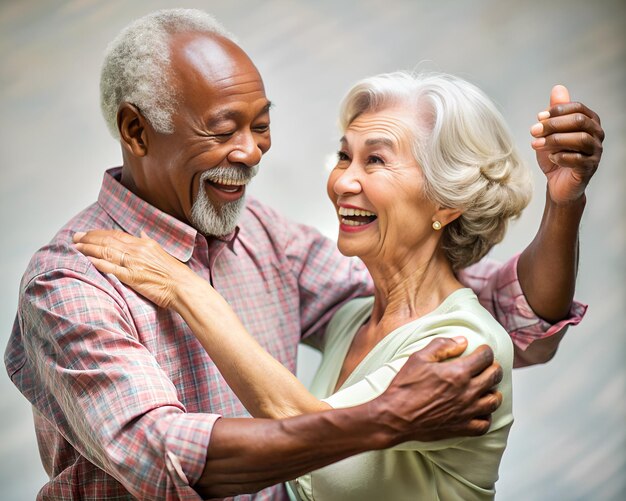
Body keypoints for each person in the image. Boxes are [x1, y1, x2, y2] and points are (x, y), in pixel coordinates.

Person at [5, 8, 603, 501]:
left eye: (261, 125)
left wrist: (563, 204)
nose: (251, 152)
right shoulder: (70, 282)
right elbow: (169, 460)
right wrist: (388, 418)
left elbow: (489, 318)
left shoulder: (265, 235)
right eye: (223, 129)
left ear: (446, 198)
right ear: (136, 132)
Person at [75, 71, 533, 500]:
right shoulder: (351, 318)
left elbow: (305, 429)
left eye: (375, 160)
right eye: (343, 156)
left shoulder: (462, 346)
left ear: (447, 199)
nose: (342, 181)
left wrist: (186, 289)